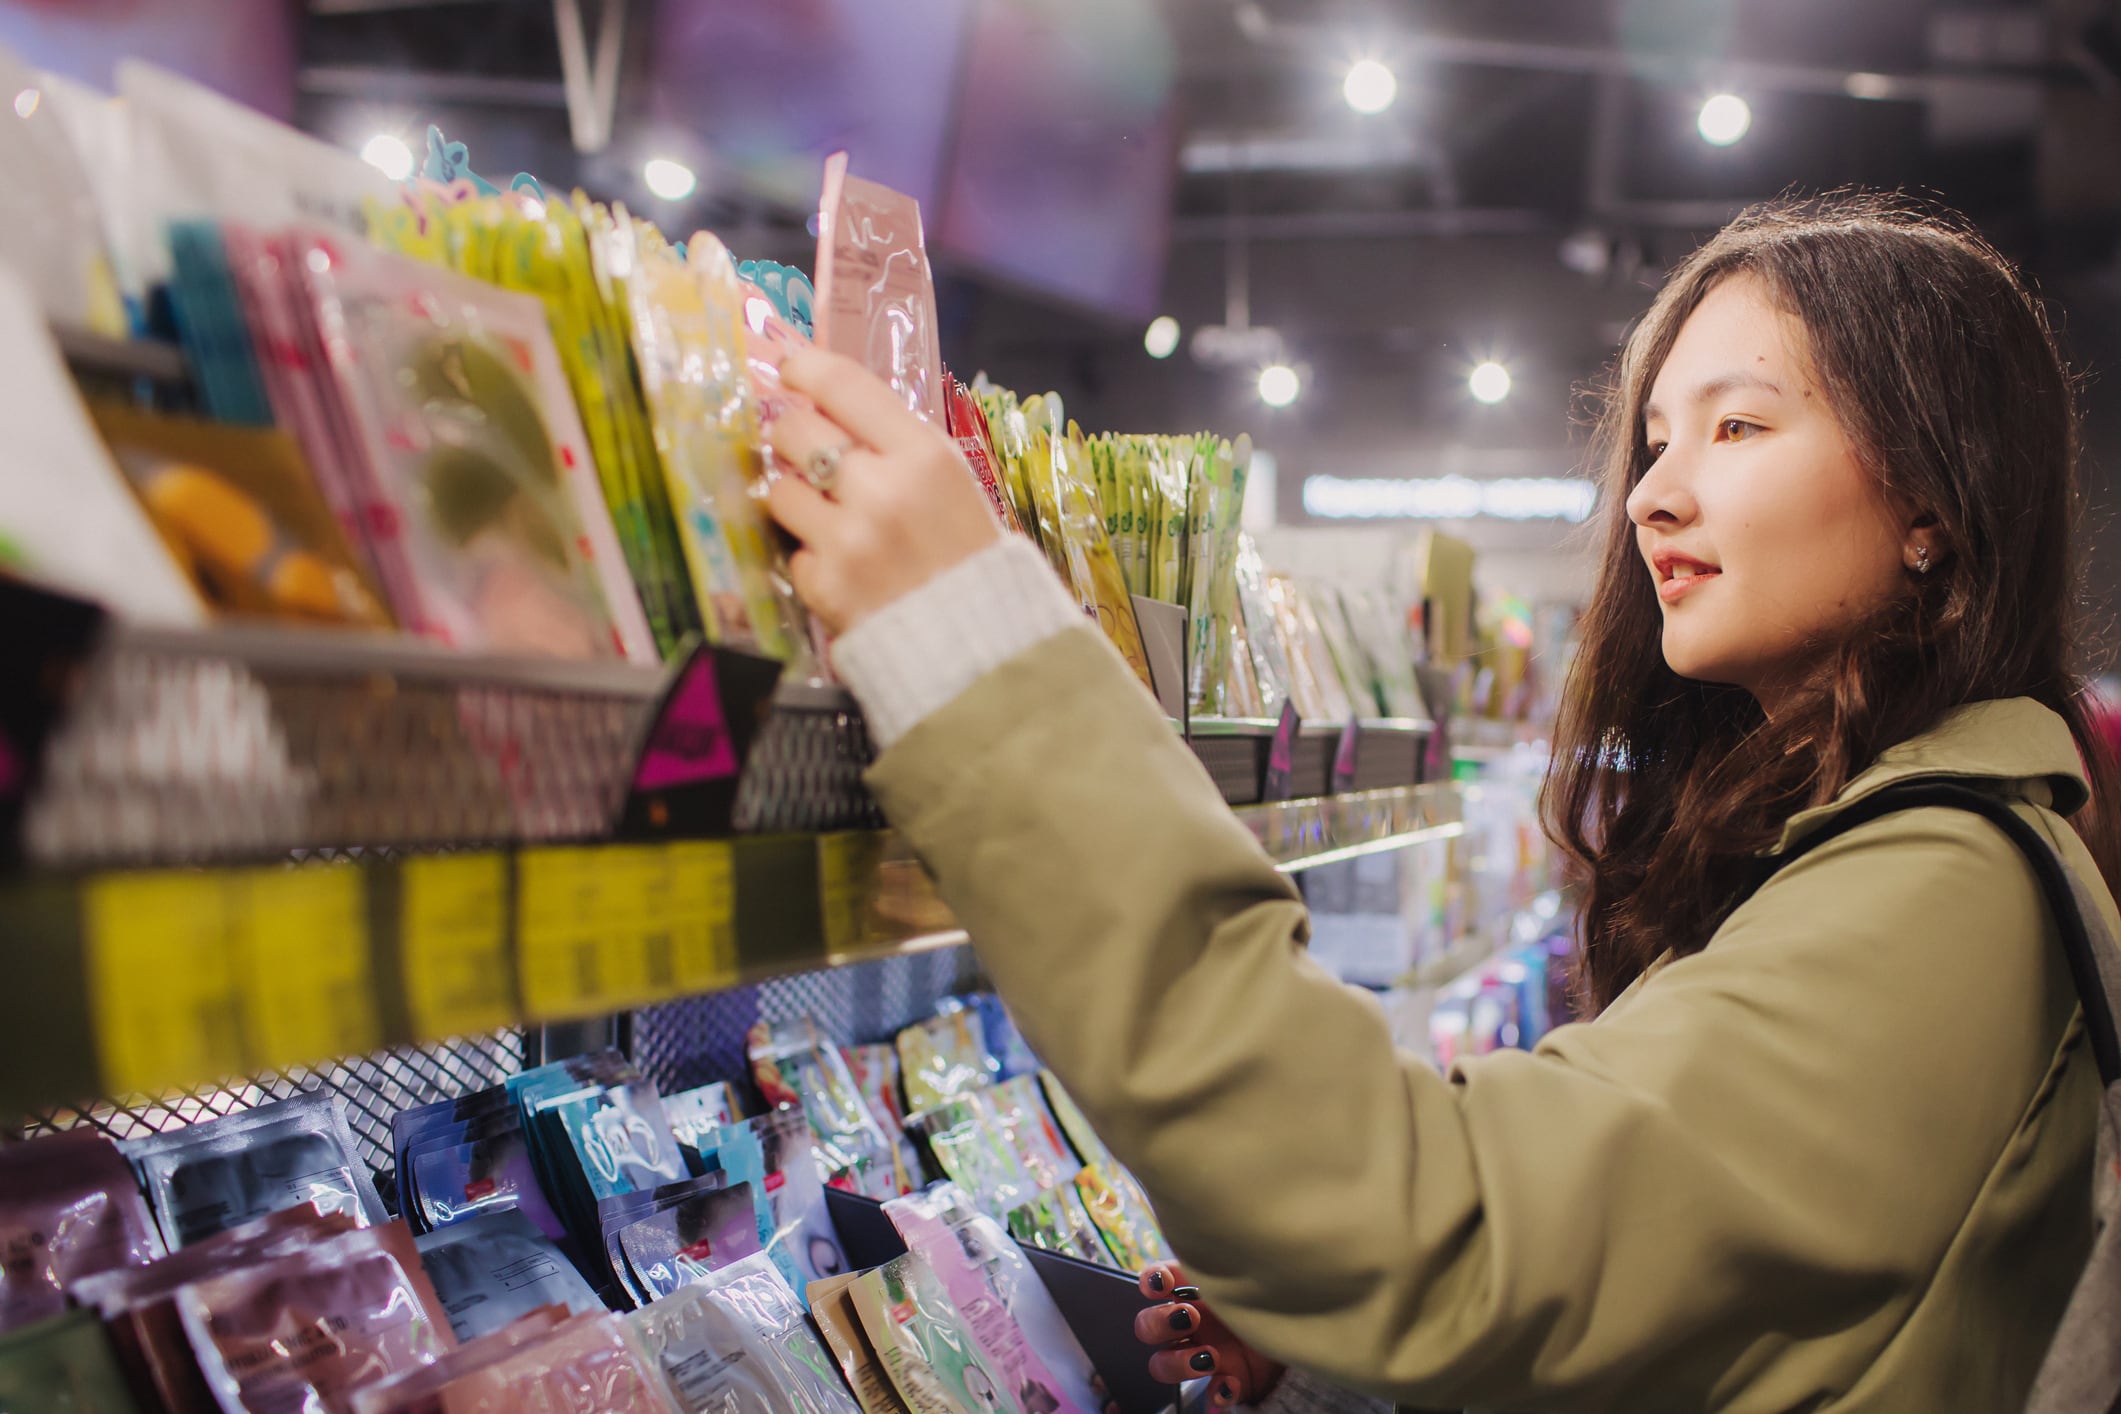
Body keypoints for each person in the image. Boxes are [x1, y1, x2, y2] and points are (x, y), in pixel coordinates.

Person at [759, 194, 2120, 1411]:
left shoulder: (1941, 889)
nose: (1654, 493)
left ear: (1931, 500)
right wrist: (1339, 1357)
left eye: (1739, 424)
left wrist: (977, 655)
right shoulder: (1877, 853)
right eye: (1653, 441)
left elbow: (1427, 1223)